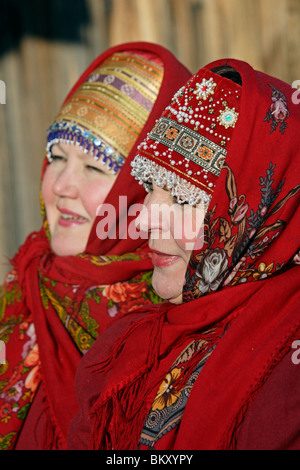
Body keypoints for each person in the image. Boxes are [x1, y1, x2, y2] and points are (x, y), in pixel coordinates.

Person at [67, 58, 300, 450]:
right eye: (150, 188)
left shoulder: (285, 374)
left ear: (257, 211)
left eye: (183, 199)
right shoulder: (137, 343)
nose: (140, 225)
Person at [0, 42, 191, 450]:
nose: (62, 186)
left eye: (94, 166)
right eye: (56, 156)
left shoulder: (179, 324)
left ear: (142, 190)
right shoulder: (22, 291)